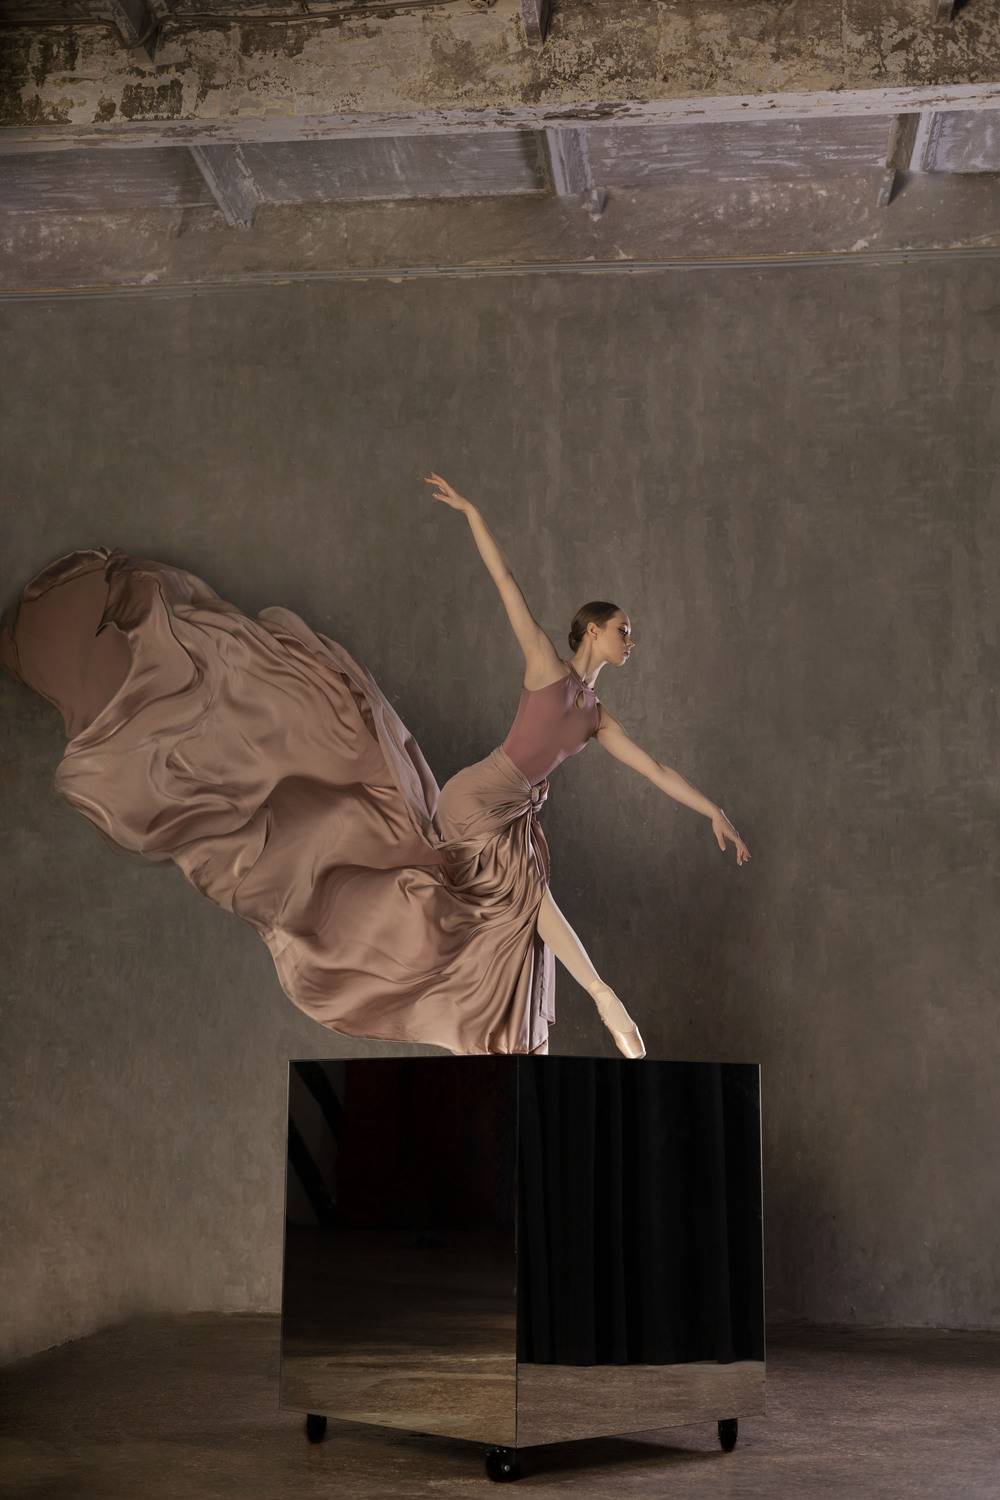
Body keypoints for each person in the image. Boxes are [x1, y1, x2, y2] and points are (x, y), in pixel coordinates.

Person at [0, 473, 749, 1059]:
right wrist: (472, 514)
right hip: (476, 801)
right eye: (623, 629)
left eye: (630, 633)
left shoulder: (595, 715)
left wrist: (711, 811)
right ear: (591, 631)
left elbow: (654, 769)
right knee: (520, 900)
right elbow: (507, 587)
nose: (630, 640)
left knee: (512, 920)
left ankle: (536, 1034)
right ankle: (597, 1002)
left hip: (515, 813)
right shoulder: (546, 669)